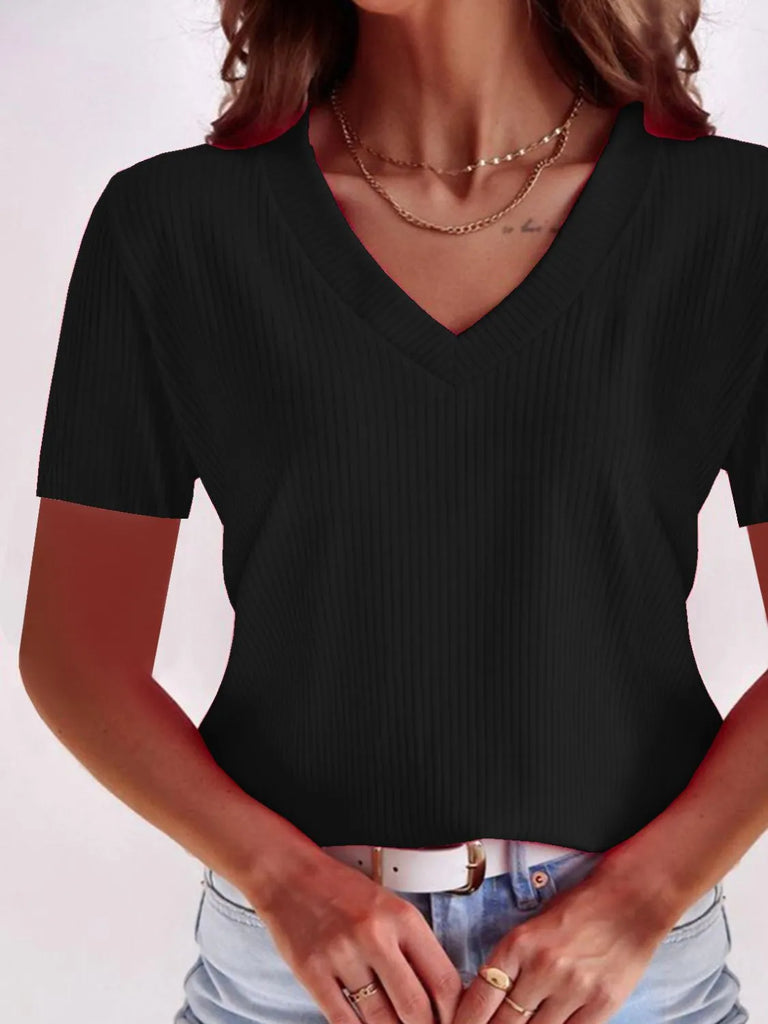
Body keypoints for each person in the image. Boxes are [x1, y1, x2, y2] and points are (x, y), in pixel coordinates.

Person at [19, 0, 768, 1021]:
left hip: (619, 973)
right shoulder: (174, 225)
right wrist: (284, 880)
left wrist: (644, 896)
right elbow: (76, 655)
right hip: (302, 972)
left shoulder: (734, 219)